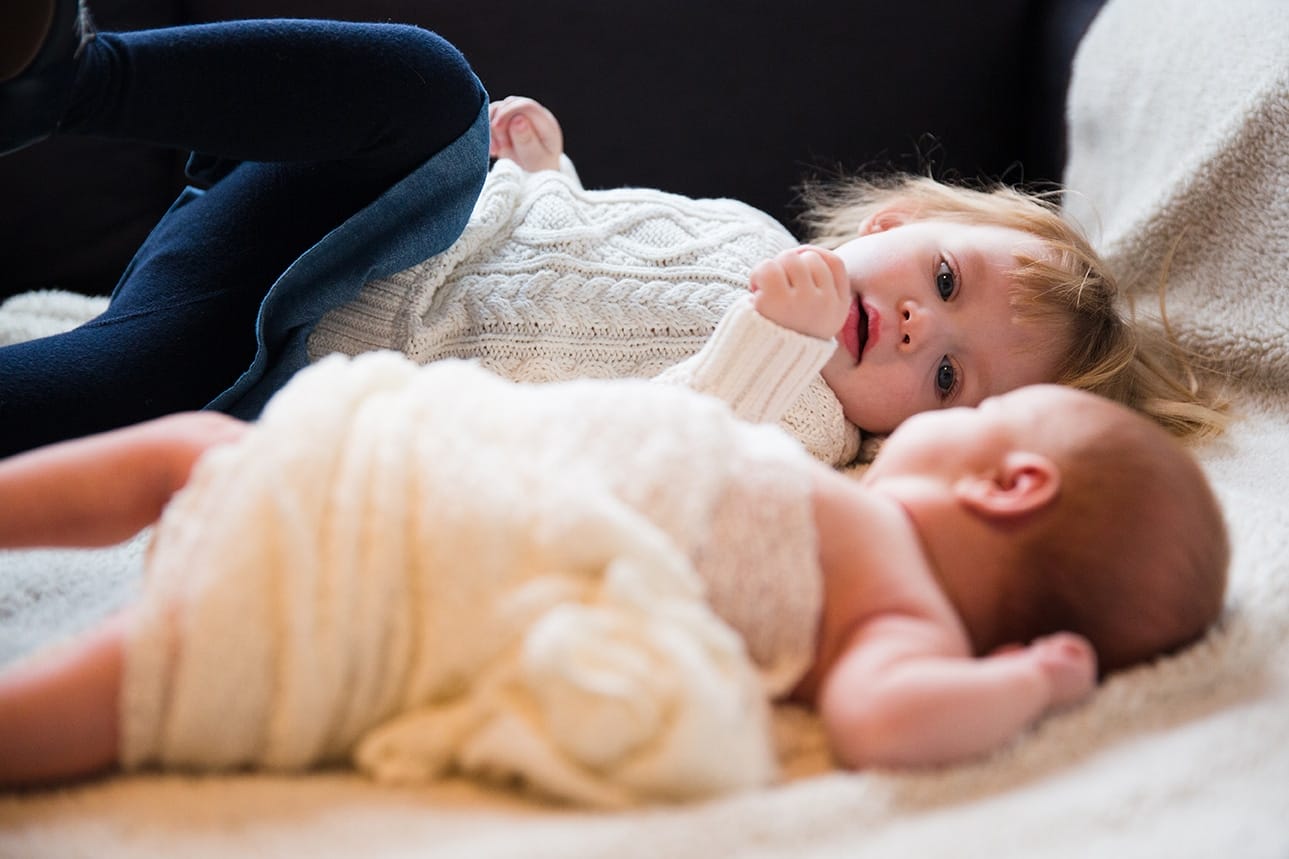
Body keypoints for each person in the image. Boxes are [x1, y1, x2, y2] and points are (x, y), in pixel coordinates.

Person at [0, 3, 1225, 463]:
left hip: (262, 359)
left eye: (946, 373)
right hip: (321, 215)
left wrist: (769, 341)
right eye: (942, 279)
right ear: (897, 223)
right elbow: (581, 234)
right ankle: (66, 80)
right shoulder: (740, 226)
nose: (915, 324)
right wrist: (541, 172)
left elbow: (667, 440)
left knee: (131, 379)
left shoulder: (799, 431)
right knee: (433, 87)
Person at [0, 351, 1228, 799]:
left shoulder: (899, 610)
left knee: (152, 672)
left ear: (1009, 484)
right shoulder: (844, 505)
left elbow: (877, 723)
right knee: (195, 453)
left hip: (403, 574)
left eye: (990, 405)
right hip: (397, 472)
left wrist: (1030, 685)